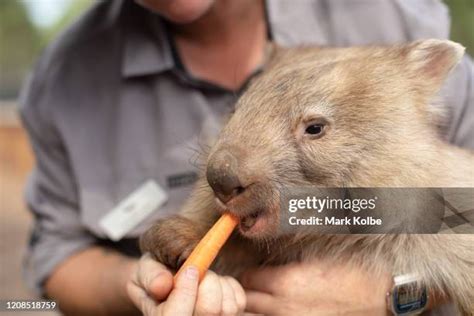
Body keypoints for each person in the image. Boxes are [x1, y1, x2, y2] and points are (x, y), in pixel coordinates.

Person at [19, 0, 473, 315]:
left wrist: (392, 296)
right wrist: (145, 285)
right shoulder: (65, 77)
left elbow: (460, 218)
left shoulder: (395, 17)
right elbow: (59, 259)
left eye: (314, 131)